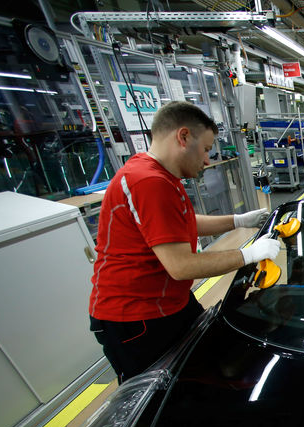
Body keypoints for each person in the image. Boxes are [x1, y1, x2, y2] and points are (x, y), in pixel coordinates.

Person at [89, 101, 280, 383]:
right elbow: (181, 266)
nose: (207, 160)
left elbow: (182, 223)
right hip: (136, 317)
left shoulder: (160, 175)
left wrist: (238, 221)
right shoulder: (148, 182)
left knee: (200, 362)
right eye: (205, 149)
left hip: (168, 301)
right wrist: (247, 254)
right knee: (161, 395)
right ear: (183, 137)